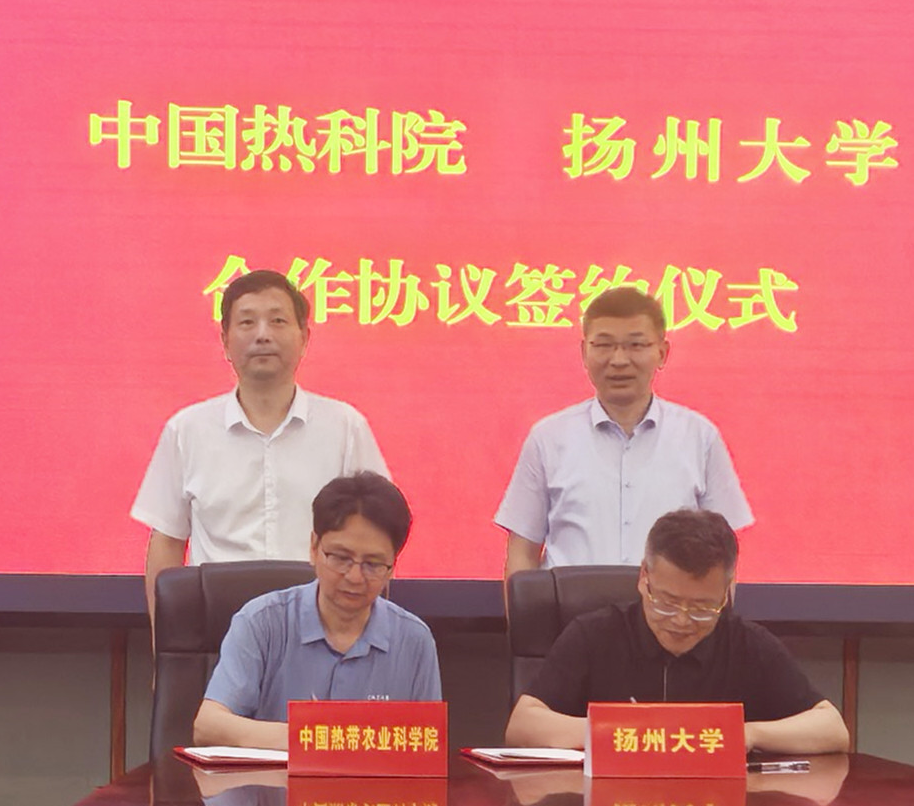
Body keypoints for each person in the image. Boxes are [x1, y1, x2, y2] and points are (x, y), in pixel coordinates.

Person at [130, 269, 387, 620]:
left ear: (304, 338)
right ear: (225, 341)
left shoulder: (345, 427)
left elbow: (377, 536)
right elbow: (167, 541)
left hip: (322, 625)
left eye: (278, 321)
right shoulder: (186, 430)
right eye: (247, 322)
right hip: (217, 629)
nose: (263, 335)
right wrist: (166, 645)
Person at [504, 508, 849, 755]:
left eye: (702, 607)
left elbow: (832, 729)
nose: (681, 621)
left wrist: (745, 734)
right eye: (667, 602)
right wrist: (633, 732)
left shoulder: (748, 645)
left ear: (727, 590)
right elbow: (523, 726)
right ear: (644, 578)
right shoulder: (593, 635)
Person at [494, 285, 751, 575]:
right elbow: (522, 552)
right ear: (584, 352)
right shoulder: (548, 438)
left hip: (667, 606)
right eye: (604, 345)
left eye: (636, 345)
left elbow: (722, 557)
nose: (618, 360)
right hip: (568, 605)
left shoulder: (699, 438)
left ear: (662, 353)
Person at [192, 472, 442, 750]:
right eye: (341, 558)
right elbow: (208, 726)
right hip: (273, 779)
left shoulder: (414, 640)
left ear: (392, 566)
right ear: (313, 548)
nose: (355, 577)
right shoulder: (261, 623)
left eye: (373, 564)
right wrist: (314, 739)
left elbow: (426, 746)